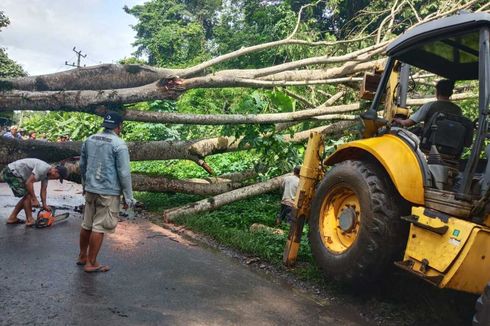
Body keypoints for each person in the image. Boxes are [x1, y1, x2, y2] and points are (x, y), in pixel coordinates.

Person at [78, 112, 135, 273]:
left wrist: (84, 184)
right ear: (119, 126)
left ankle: (82, 256)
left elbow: (82, 165)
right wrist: (129, 197)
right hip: (108, 192)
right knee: (99, 226)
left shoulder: (90, 140)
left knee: (87, 224)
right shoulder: (119, 144)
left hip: (90, 189)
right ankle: (92, 262)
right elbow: (124, 173)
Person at [0, 158, 68, 226]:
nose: (56, 179)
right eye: (58, 177)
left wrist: (44, 205)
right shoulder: (43, 168)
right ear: (56, 171)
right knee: (28, 195)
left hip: (19, 175)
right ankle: (29, 220)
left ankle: (12, 218)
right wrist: (34, 199)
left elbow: (43, 190)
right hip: (11, 172)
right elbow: (29, 183)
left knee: (27, 195)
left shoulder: (47, 175)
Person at [393, 79, 461, 127]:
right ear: (450, 93)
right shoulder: (458, 110)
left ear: (437, 92)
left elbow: (407, 123)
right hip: (452, 146)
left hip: (429, 145)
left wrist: (398, 120)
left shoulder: (430, 106)